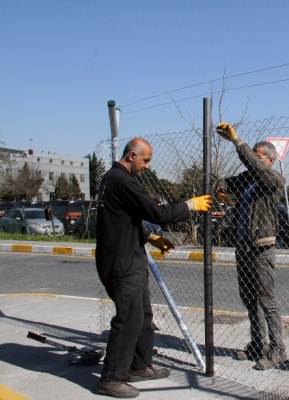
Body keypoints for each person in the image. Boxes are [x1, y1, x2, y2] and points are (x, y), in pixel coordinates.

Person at [95, 138, 212, 398]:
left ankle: (139, 364)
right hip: (121, 260)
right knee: (129, 318)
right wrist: (190, 205)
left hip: (128, 255)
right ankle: (111, 378)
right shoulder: (122, 181)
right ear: (132, 155)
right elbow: (157, 213)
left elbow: (125, 219)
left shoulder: (112, 179)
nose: (148, 166)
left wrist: (150, 237)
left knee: (143, 314)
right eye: (145, 160)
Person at [216, 122, 287, 370]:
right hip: (243, 246)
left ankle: (278, 349)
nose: (254, 162)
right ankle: (257, 345)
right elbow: (231, 181)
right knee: (249, 299)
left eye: (258, 158)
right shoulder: (251, 180)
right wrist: (220, 186)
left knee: (267, 300)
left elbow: (253, 167)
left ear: (269, 161)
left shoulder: (273, 179)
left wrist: (237, 141)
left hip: (261, 247)